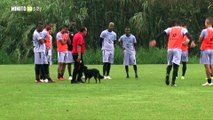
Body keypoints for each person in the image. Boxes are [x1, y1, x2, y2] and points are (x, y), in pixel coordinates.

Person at [150, 19, 195, 87]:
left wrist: (155, 40)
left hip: (170, 49)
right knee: (176, 65)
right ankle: (173, 82)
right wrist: (192, 41)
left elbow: (162, 34)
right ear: (180, 24)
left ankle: (167, 75)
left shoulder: (170, 29)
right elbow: (188, 35)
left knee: (169, 64)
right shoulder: (182, 29)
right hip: (177, 49)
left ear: (174, 24)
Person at [199, 17, 213, 86]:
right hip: (212, 49)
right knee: (211, 64)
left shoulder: (204, 31)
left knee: (207, 65)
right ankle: (211, 78)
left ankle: (209, 81)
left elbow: (200, 39)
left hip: (205, 49)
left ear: (207, 23)